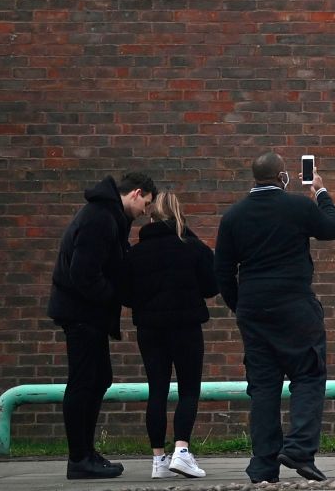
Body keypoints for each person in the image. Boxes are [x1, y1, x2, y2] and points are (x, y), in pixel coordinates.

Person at [215, 153, 335, 485]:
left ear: (254, 178)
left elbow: (223, 271)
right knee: (308, 374)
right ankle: (298, 449)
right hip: (294, 304)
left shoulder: (232, 217)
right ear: (282, 176)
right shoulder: (297, 207)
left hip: (253, 310)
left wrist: (240, 306)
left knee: (263, 387)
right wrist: (321, 192)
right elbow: (331, 229)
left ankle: (263, 465)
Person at [49, 171, 157, 480]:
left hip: (87, 314)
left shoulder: (108, 216)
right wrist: (113, 297)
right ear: (136, 193)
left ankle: (85, 453)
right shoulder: (101, 218)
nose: (145, 213)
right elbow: (84, 273)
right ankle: (79, 458)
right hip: (83, 314)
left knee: (97, 380)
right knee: (85, 382)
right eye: (146, 204)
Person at [120, 190, 218, 480]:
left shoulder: (135, 252)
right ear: (178, 214)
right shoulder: (193, 247)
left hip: (149, 330)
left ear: (151, 215)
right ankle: (182, 452)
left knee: (157, 390)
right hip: (186, 327)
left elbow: (125, 294)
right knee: (188, 389)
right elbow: (212, 285)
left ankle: (158, 460)